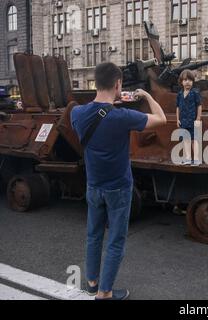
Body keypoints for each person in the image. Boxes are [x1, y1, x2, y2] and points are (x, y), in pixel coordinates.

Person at [71, 62, 167, 300]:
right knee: (115, 241)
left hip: (93, 186)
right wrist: (145, 95)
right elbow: (161, 118)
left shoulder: (77, 114)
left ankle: (92, 282)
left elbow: (93, 117)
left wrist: (108, 107)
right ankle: (105, 293)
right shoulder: (123, 116)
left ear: (95, 83)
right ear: (117, 84)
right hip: (119, 188)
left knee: (93, 235)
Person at [176, 70, 203, 166]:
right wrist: (177, 119)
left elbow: (199, 106)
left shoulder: (195, 93)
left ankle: (196, 159)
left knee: (194, 140)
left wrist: (198, 119)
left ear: (193, 82)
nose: (188, 82)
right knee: (186, 140)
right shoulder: (179, 94)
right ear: (181, 82)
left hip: (193, 121)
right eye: (185, 80)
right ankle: (188, 158)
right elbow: (178, 107)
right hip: (183, 121)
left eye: (190, 80)